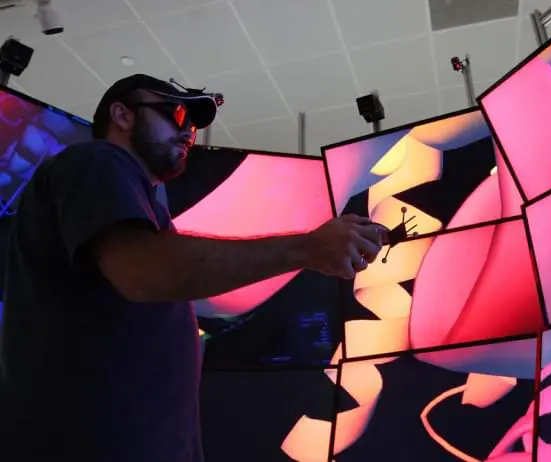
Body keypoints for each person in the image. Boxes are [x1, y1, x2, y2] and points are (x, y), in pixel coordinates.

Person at [0, 74, 387, 462]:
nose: (188, 132)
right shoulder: (95, 161)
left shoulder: (148, 214)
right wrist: (307, 247)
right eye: (177, 114)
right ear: (122, 114)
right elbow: (145, 271)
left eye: (195, 125)